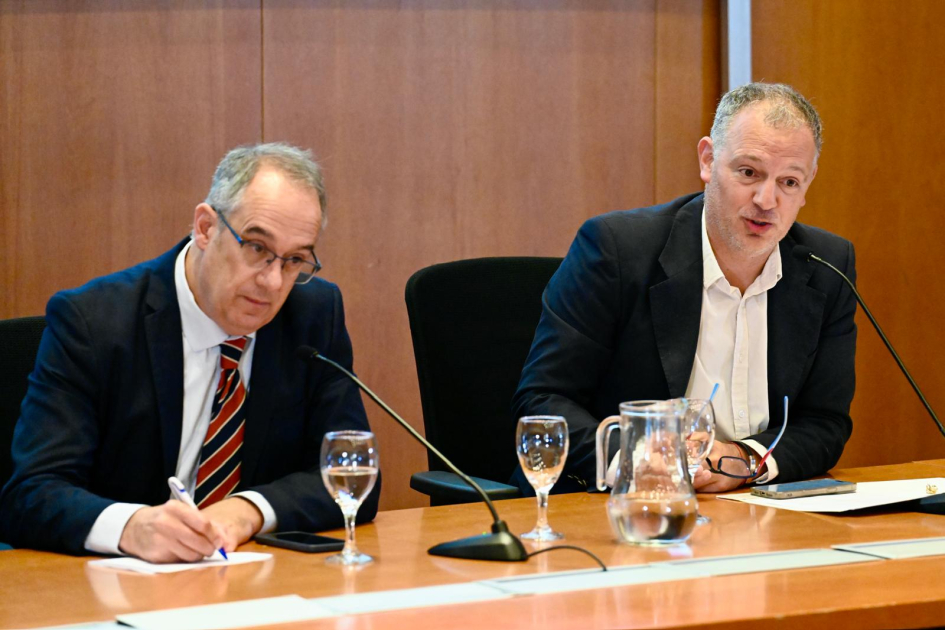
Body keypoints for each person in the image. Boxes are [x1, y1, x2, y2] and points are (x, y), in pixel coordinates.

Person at [0, 143, 380, 562]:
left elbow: (352, 475)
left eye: (294, 260)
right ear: (205, 228)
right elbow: (32, 492)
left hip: (253, 585)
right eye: (256, 247)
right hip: (117, 589)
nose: (273, 282)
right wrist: (131, 527)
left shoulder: (312, 316)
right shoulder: (94, 323)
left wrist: (248, 510)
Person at [512, 82, 857, 495]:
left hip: (757, 509)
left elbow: (825, 422)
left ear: (809, 180)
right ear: (708, 160)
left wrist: (740, 460)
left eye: (789, 182)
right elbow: (544, 400)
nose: (767, 200)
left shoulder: (825, 266)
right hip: (618, 505)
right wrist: (650, 462)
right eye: (749, 172)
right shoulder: (617, 250)